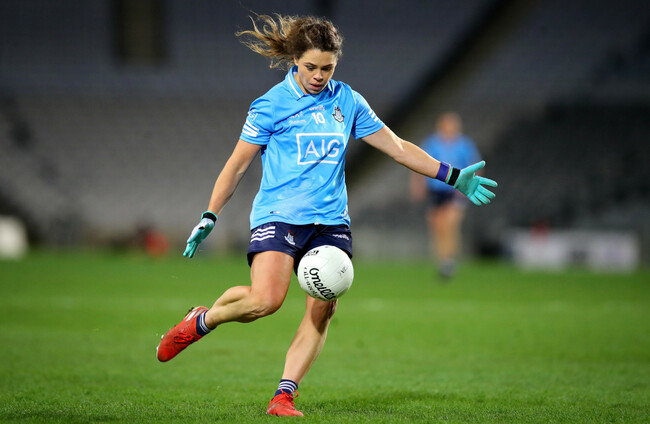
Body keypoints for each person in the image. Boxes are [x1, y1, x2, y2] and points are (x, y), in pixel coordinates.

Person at [156, 14, 497, 417]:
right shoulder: (270, 105)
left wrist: (452, 175)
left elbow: (397, 147)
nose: (319, 76)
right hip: (279, 214)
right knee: (265, 301)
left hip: (331, 222)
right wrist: (210, 214)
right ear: (294, 60)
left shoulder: (347, 101)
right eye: (311, 67)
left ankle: (284, 395)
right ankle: (203, 320)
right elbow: (237, 165)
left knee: (322, 308)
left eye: (328, 68)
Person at [410, 112, 482, 279]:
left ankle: (449, 260)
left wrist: (470, 186)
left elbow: (475, 165)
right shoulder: (432, 143)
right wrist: (418, 185)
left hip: (455, 191)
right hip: (436, 191)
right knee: (437, 226)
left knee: (450, 223)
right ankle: (442, 260)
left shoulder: (464, 145)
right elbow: (420, 164)